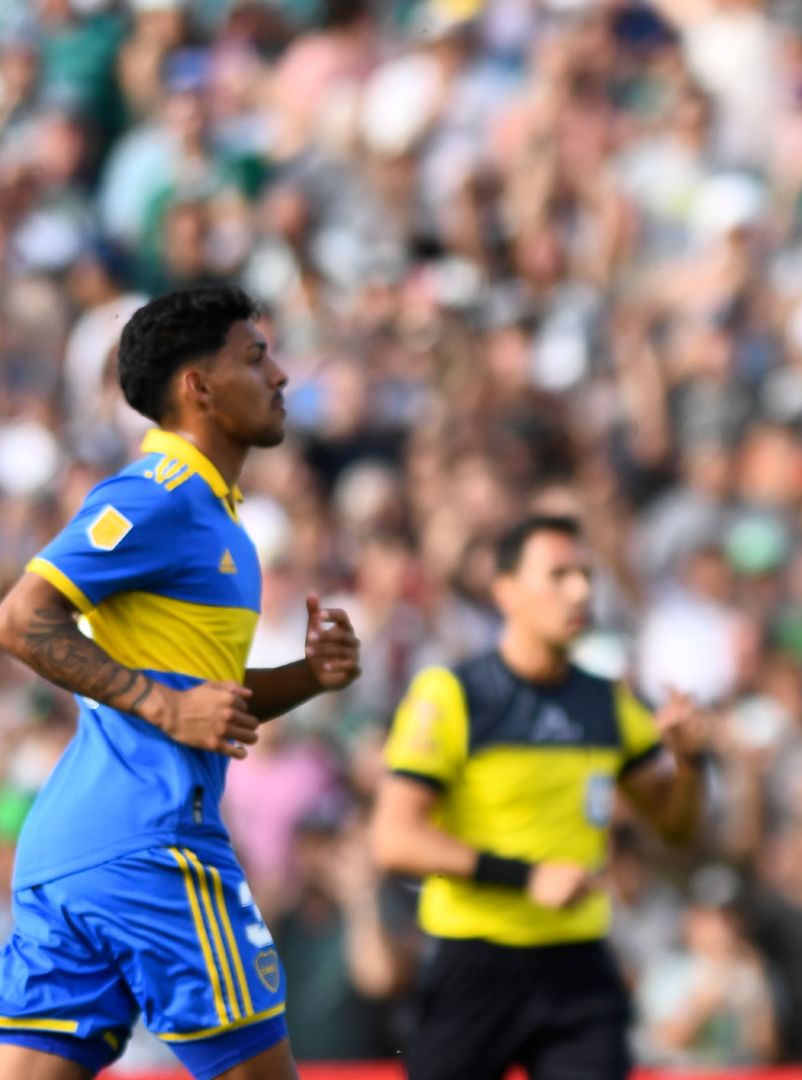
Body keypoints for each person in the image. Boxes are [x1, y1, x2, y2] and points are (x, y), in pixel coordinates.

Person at [0, 285, 364, 1080]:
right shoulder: (155, 496)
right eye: (256, 357)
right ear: (197, 386)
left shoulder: (219, 520)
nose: (280, 377)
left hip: (74, 850)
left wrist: (308, 676)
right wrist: (162, 703)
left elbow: (211, 707)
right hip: (153, 842)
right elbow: (22, 619)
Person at [369, 515, 707, 1080]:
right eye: (558, 575)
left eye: (585, 575)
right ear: (505, 591)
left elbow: (675, 829)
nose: (579, 591)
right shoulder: (455, 694)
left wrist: (691, 762)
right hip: (473, 960)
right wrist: (526, 877)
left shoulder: (608, 702)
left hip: (576, 963)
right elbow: (393, 840)